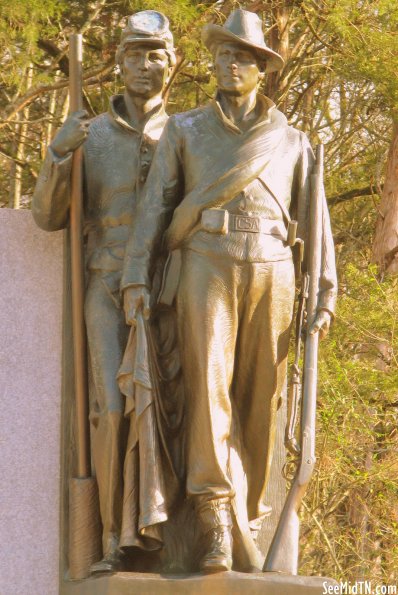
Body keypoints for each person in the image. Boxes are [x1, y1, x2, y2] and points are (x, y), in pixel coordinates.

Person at [122, 9, 337, 573]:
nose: (230, 62)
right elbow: (154, 210)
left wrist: (326, 295)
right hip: (205, 264)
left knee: (264, 400)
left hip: (275, 270)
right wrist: (135, 277)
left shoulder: (292, 140)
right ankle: (215, 515)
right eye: (222, 54)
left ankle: (256, 513)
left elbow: (315, 225)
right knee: (208, 390)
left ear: (261, 68)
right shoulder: (185, 129)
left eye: (242, 56)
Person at [32, 11, 176, 573]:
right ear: (118, 62)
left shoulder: (186, 132)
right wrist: (58, 154)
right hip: (106, 281)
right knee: (112, 408)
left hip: (168, 287)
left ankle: (167, 531)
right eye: (136, 54)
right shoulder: (90, 133)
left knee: (163, 412)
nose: (146, 65)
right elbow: (47, 217)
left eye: (156, 54)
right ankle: (114, 535)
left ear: (172, 62)